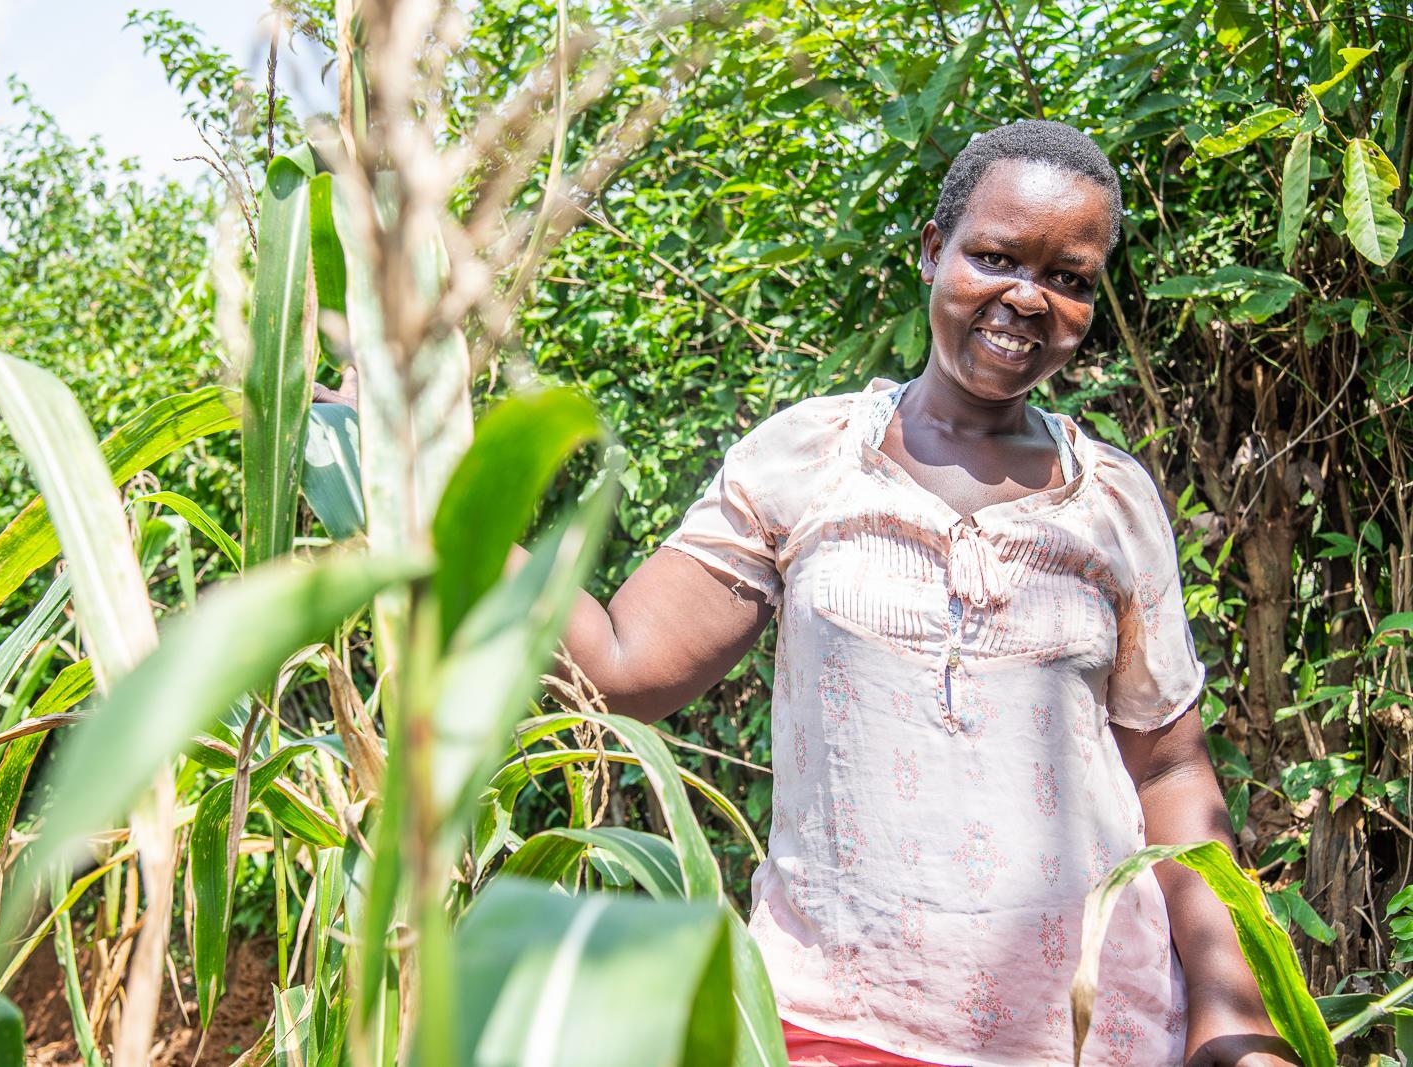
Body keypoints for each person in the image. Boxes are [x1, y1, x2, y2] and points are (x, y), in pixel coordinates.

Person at [317, 120, 1297, 1066]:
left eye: (1067, 280)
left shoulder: (1113, 497)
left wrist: (1229, 1012)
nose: (1026, 299)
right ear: (931, 251)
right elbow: (621, 668)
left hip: (1098, 1031)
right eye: (996, 257)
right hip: (833, 1019)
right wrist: (420, 473)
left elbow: (1168, 772)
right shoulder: (805, 460)